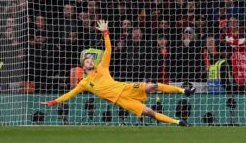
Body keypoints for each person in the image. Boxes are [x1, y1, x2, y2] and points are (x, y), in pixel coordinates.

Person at [41, 20, 196, 126]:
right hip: (121, 101)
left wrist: (105, 33)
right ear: (83, 65)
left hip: (126, 88)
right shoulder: (84, 83)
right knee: (149, 112)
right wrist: (54, 102)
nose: (90, 61)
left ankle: (184, 90)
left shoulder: (101, 67)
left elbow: (108, 49)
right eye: (87, 60)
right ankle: (178, 122)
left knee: (152, 86)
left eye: (91, 59)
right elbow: (70, 94)